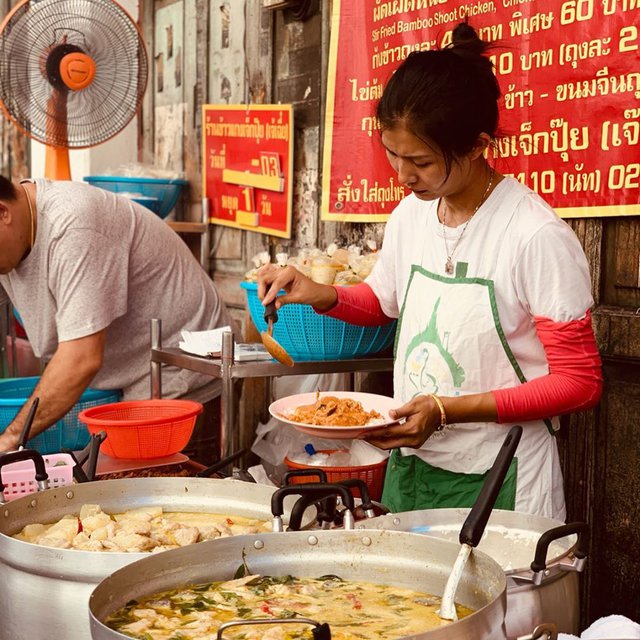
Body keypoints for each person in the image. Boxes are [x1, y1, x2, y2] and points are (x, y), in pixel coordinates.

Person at [258, 22, 602, 520]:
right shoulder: (411, 215)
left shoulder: (533, 234)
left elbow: (579, 382)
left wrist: (447, 410)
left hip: (502, 472)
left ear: (479, 145)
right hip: (414, 466)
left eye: (419, 160)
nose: (402, 175)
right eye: (392, 154)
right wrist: (319, 293)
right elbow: (385, 303)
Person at [0, 175, 236, 460]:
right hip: (118, 377)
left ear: (3, 212)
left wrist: (9, 438)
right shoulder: (13, 236)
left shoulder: (74, 225)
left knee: (151, 493)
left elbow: (80, 359)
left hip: (178, 370)